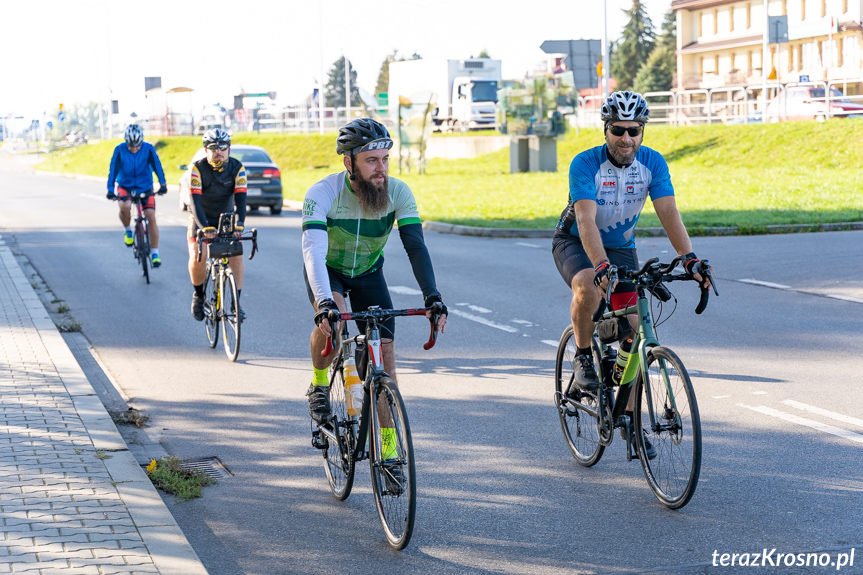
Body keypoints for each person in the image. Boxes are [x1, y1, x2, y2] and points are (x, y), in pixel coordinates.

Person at [552, 91, 712, 457]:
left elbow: (669, 214)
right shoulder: (586, 163)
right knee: (587, 288)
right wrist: (601, 266)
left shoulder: (653, 165)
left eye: (634, 131)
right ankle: (581, 356)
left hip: (621, 246)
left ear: (643, 131)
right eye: (619, 130)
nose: (626, 138)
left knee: (635, 327)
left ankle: (627, 417)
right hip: (576, 240)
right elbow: (586, 219)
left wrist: (689, 259)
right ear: (606, 130)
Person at [301, 118, 447, 429]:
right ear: (348, 162)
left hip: (369, 273)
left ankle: (391, 454)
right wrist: (324, 302)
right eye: (371, 161)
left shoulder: (398, 192)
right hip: (330, 272)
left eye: (384, 159)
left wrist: (432, 296)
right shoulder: (322, 193)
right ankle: (318, 382)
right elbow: (313, 250)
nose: (381, 168)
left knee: (387, 370)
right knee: (335, 325)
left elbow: (416, 246)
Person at [187, 128, 248, 321]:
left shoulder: (237, 168)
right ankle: (198, 295)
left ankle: (235, 303)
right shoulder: (197, 168)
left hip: (225, 220)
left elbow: (242, 199)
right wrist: (204, 227)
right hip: (201, 219)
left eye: (222, 147)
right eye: (213, 147)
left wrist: (240, 223)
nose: (218, 151)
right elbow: (195, 203)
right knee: (199, 255)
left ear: (229, 149)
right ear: (206, 150)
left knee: (236, 255)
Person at [106, 124, 167, 267]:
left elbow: (157, 166)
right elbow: (113, 169)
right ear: (126, 142)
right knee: (125, 206)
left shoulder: (148, 149)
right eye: (131, 146)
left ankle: (155, 253)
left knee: (151, 216)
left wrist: (163, 184)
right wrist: (110, 189)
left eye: (137, 146)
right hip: (125, 186)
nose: (134, 149)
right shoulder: (119, 150)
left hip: (145, 185)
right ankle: (128, 230)